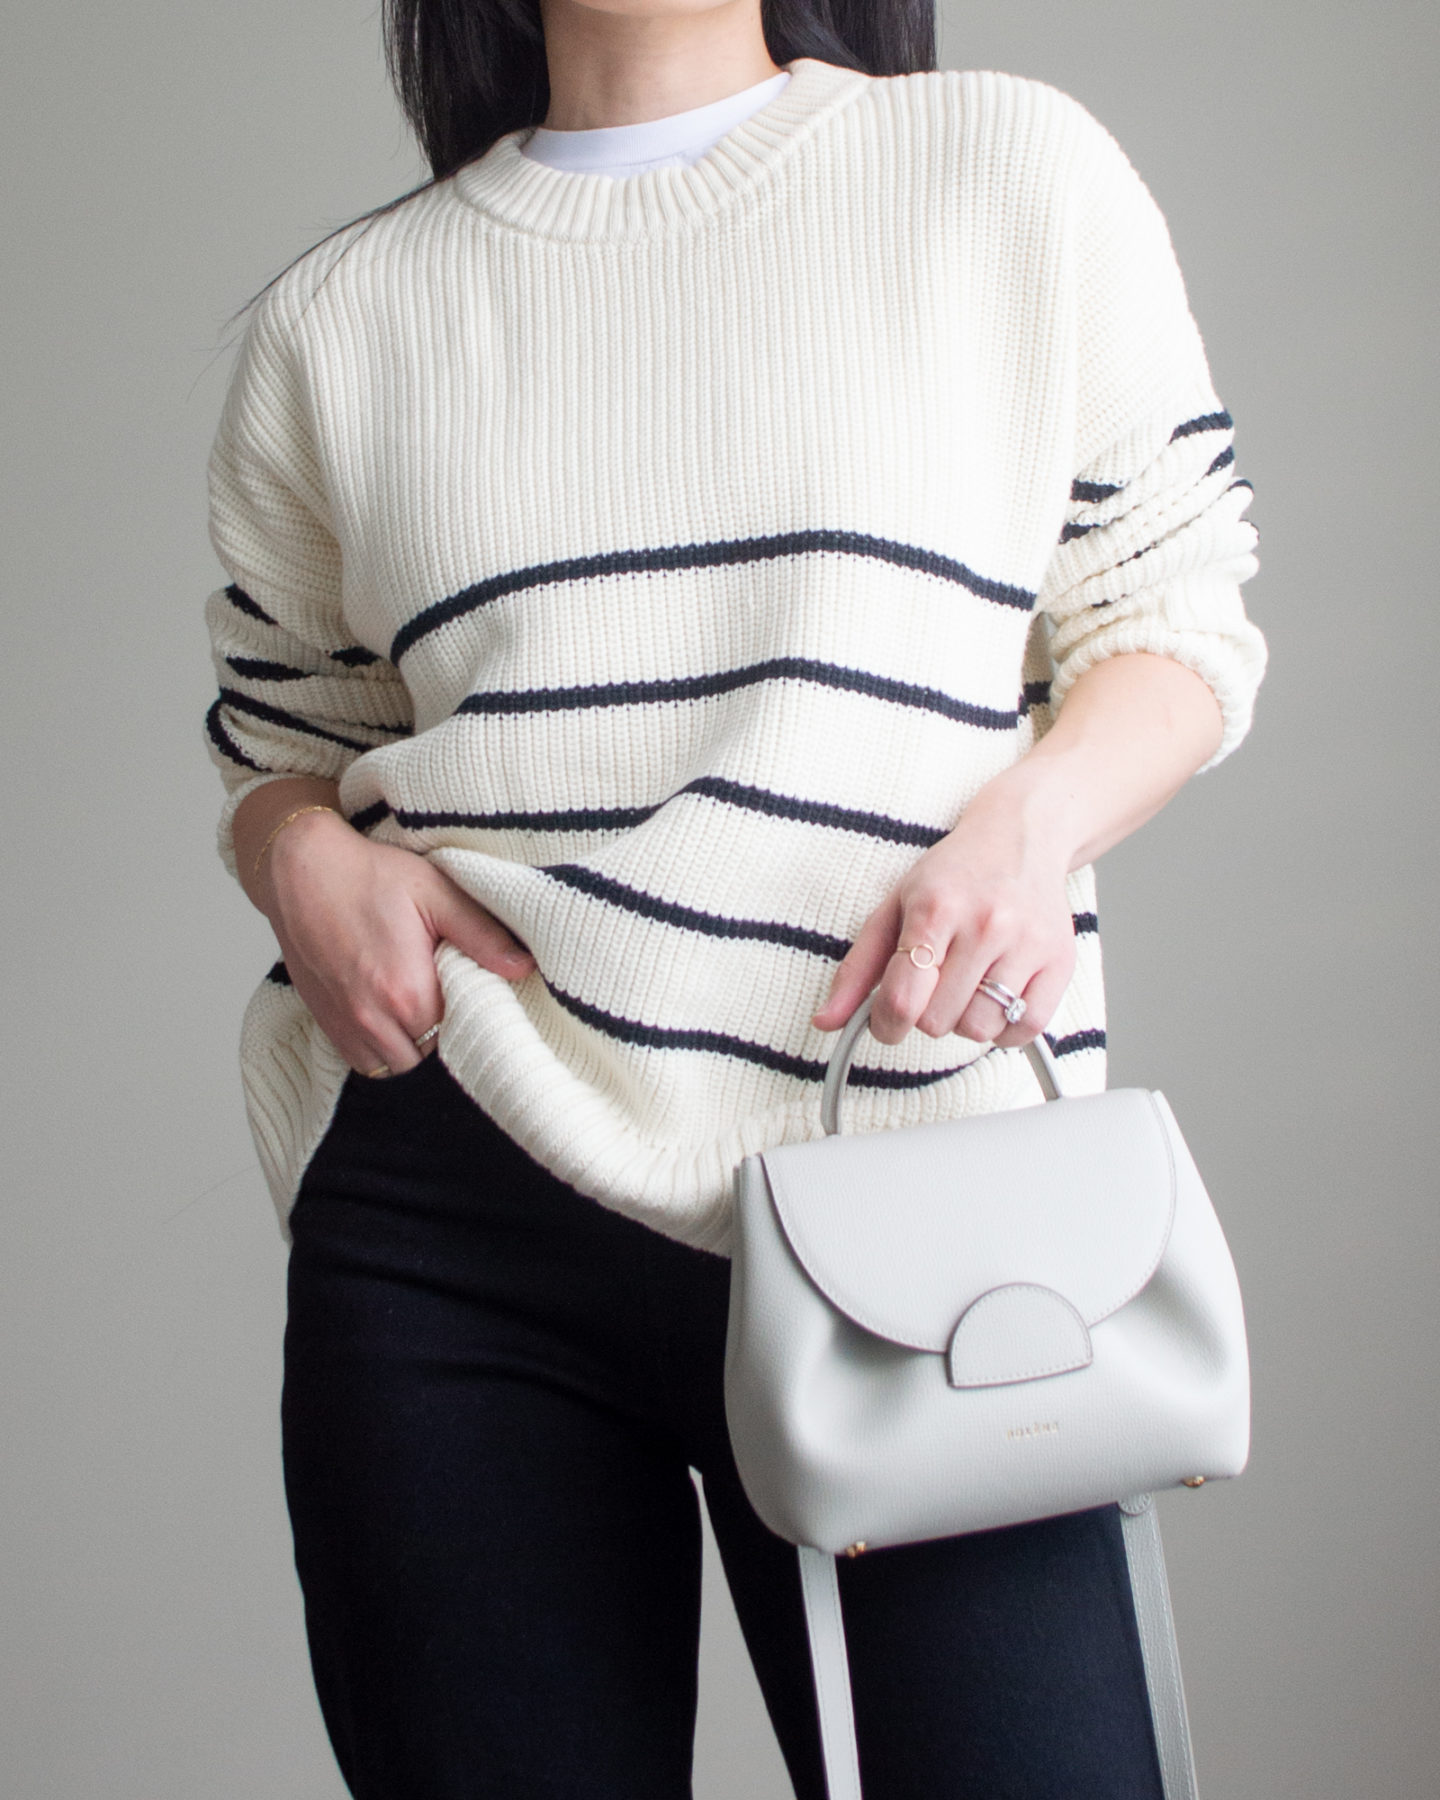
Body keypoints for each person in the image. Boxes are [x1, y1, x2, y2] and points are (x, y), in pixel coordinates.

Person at [202, 2, 1266, 1794]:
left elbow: (1174, 617)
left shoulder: (1000, 169)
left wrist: (1030, 828)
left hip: (918, 1196)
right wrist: (299, 853)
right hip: (465, 1214)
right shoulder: (344, 320)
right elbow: (285, 740)